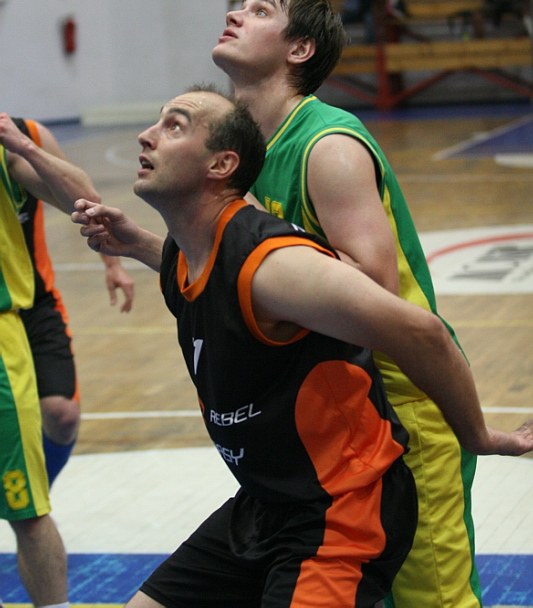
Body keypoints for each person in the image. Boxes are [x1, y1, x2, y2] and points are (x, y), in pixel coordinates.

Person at [71, 87, 533, 608]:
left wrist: (479, 436)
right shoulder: (191, 251)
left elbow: (423, 332)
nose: (146, 135)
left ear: (222, 165)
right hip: (266, 502)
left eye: (174, 125)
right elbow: (219, 280)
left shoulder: (274, 264)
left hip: (342, 507)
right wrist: (136, 244)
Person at [211, 0, 509, 608]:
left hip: (402, 402)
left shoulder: (328, 145)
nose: (235, 14)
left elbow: (371, 287)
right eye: (240, 5)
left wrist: (263, 260)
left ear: (299, 50)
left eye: (259, 11)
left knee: (433, 600)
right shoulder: (250, 152)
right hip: (336, 414)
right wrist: (141, 244)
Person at [0, 111, 103, 607]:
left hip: (20, 315)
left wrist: (21, 146)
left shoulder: (13, 142)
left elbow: (83, 199)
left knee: (30, 503)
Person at [13, 117, 135, 487]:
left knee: (62, 415)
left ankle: (33, 500)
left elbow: (84, 200)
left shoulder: (23, 137)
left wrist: (112, 264)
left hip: (33, 301)